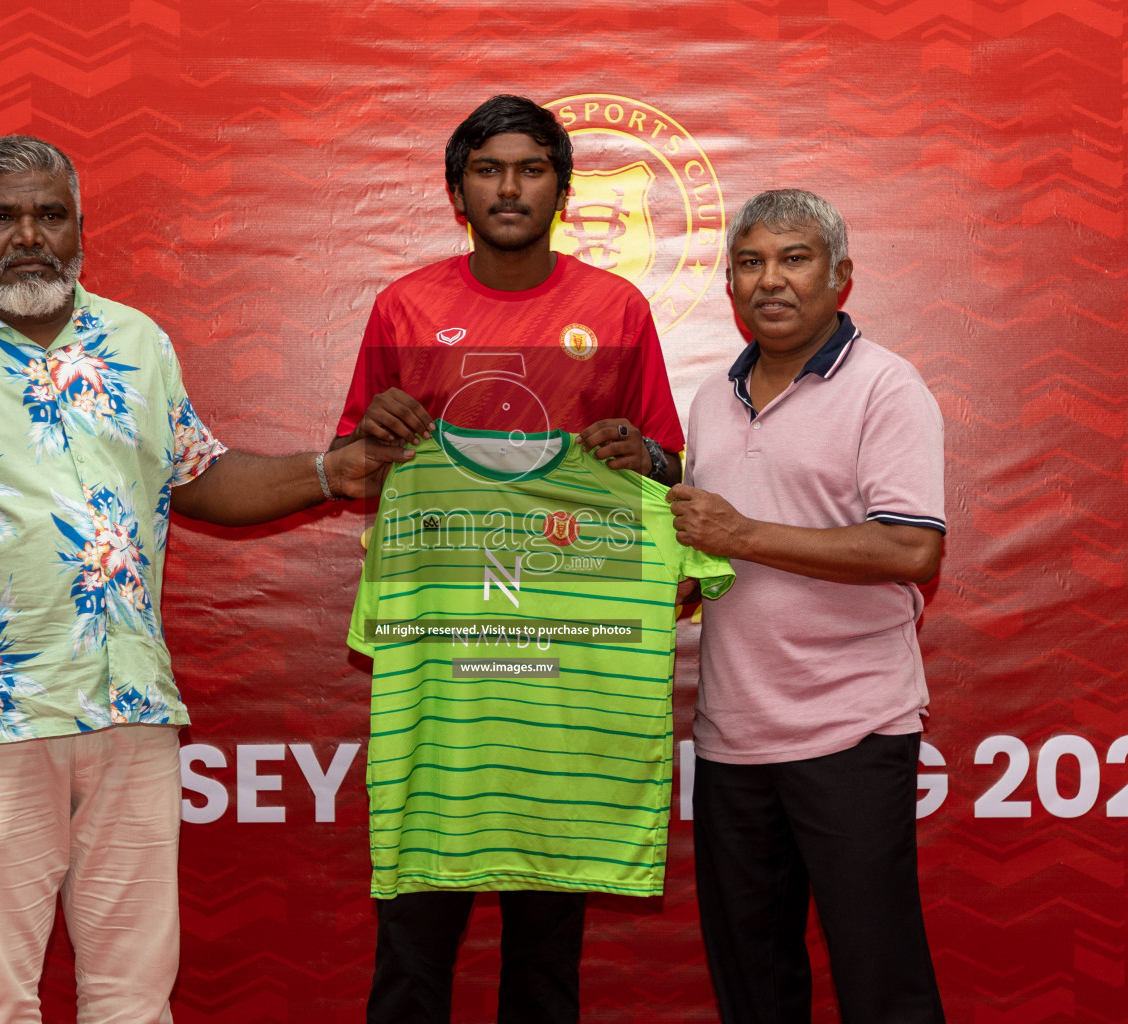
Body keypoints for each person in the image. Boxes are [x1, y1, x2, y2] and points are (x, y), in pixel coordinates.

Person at [0, 134, 408, 1023]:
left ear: (77, 228)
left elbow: (199, 476)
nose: (27, 235)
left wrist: (330, 472)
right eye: (2, 216)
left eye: (50, 214)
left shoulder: (136, 341)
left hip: (131, 711)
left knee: (134, 997)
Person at [331, 94, 686, 1024]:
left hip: (562, 678)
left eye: (531, 168)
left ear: (562, 188)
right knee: (413, 949)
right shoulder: (405, 305)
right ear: (457, 190)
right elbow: (353, 467)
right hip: (442, 675)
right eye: (488, 169)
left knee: (544, 959)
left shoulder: (617, 307)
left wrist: (639, 458)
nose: (509, 186)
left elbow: (671, 466)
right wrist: (376, 433)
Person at [668, 188, 948, 1023]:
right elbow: (710, 552)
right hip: (731, 738)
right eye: (749, 263)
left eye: (795, 259)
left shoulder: (887, 388)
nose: (770, 281)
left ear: (841, 277)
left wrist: (743, 534)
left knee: (880, 983)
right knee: (754, 991)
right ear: (729, 285)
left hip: (851, 733)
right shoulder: (712, 399)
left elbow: (910, 548)